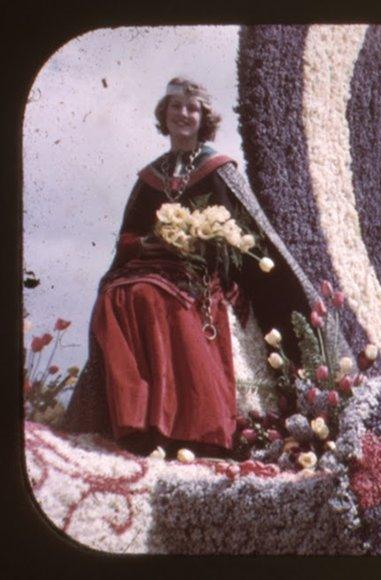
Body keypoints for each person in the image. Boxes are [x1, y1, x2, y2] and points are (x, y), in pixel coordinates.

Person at [63, 77, 314, 458]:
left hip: (201, 273)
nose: (183, 114)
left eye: (192, 108)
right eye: (176, 106)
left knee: (150, 296)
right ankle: (134, 423)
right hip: (151, 266)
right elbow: (128, 238)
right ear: (164, 113)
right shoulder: (149, 178)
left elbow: (244, 234)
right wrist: (152, 242)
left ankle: (186, 426)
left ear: (203, 117)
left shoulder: (218, 169)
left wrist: (204, 244)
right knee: (119, 295)